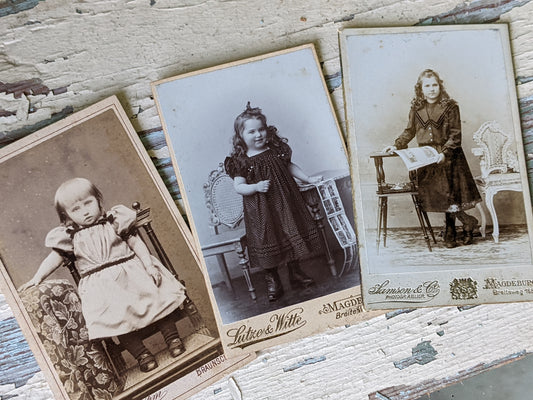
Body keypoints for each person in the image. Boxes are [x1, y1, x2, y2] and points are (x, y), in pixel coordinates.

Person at [19, 178, 187, 373]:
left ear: (98, 200)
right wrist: (37, 278)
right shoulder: (70, 236)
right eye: (76, 209)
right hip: (102, 289)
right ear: (67, 216)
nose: (85, 211)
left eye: (88, 203)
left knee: (158, 299)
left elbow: (136, 243)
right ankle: (142, 354)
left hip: (132, 275)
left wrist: (149, 266)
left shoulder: (114, 221)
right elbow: (53, 259)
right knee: (113, 320)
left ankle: (172, 338)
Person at [224, 103, 322, 301]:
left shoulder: (276, 150)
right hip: (261, 209)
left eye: (261, 129)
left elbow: (290, 167)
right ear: (241, 136)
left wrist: (308, 179)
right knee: (268, 238)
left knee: (290, 230)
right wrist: (256, 187)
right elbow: (239, 187)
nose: (258, 134)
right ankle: (273, 278)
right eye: (252, 131)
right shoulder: (241, 160)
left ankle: (296, 273)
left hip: (285, 202)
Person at [383, 69, 481, 248]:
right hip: (426, 158)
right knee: (439, 195)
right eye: (427, 85)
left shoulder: (451, 106)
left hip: (449, 156)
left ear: (440, 86)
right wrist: (397, 145)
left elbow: (455, 135)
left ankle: (450, 230)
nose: (431, 89)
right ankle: (468, 222)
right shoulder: (416, 107)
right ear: (420, 88)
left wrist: (444, 153)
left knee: (450, 194)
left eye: (435, 85)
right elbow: (410, 130)